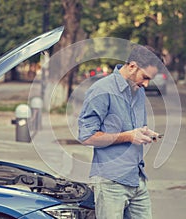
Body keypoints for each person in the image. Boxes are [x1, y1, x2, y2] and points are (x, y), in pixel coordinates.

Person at [78, 45, 163, 219]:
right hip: (111, 181)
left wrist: (144, 133)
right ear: (132, 66)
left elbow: (132, 128)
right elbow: (86, 136)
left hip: (137, 178)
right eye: (145, 77)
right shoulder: (102, 90)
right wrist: (129, 136)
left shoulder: (138, 91)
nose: (146, 84)